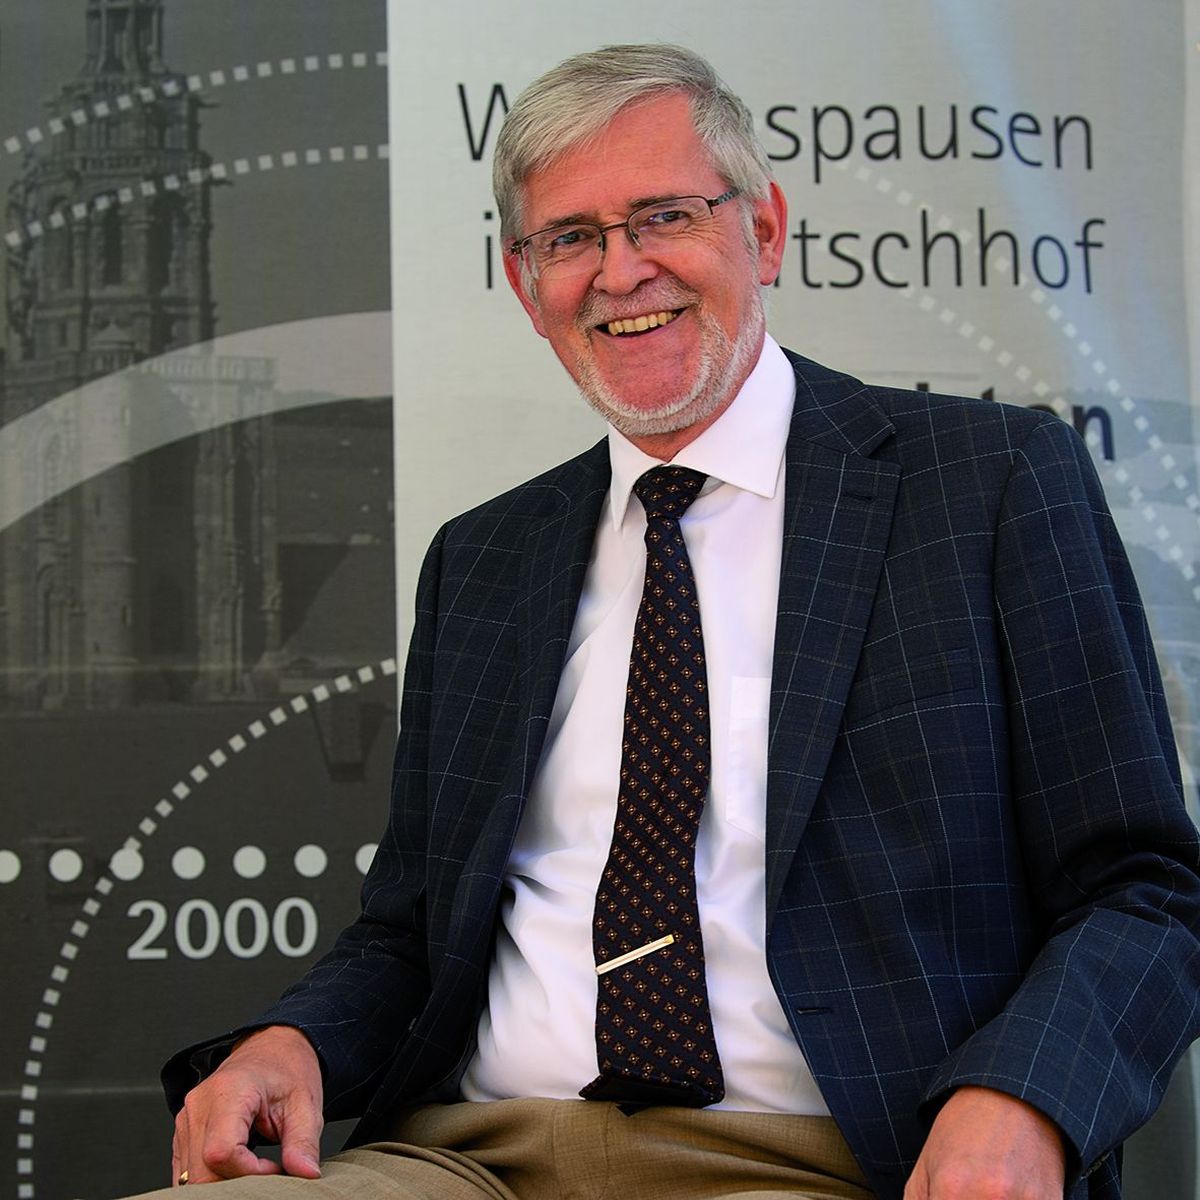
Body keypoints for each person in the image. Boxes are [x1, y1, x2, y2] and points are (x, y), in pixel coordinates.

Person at [151, 44, 1200, 1200]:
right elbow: (409, 934)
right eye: (570, 238)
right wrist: (289, 1045)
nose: (622, 270)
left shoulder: (988, 484)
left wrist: (1025, 1098)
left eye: (664, 216)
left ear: (765, 231)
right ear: (525, 285)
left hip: (834, 1161)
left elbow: (1146, 886)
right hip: (468, 1155)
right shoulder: (483, 559)